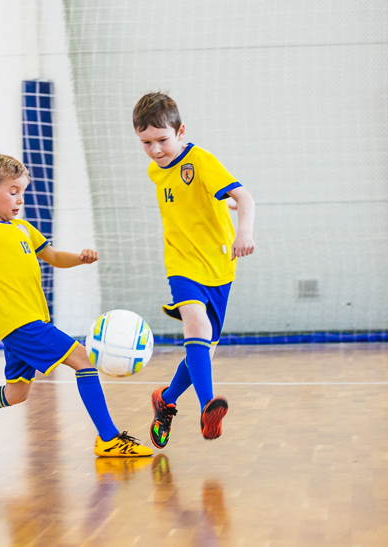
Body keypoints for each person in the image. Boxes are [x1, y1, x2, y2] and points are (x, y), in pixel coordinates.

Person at [0, 154, 152, 458]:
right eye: (13, 191)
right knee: (83, 360)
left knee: (15, 393)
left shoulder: (23, 228)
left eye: (23, 191)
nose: (20, 199)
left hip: (29, 323)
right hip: (21, 324)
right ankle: (109, 438)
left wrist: (79, 258)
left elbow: (54, 256)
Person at [131, 92, 256, 448]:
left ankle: (166, 400)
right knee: (197, 326)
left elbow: (245, 197)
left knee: (202, 351)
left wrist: (243, 232)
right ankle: (207, 408)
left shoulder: (200, 160)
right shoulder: (156, 170)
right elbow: (186, 203)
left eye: (162, 140)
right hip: (181, 264)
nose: (155, 150)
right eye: (146, 143)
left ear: (181, 131)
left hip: (219, 265)